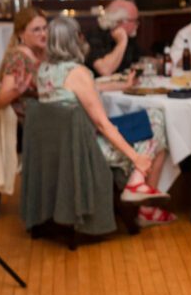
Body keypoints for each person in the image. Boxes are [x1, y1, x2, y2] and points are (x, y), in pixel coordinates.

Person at [38, 16, 174, 226]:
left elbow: (82, 90)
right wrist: (136, 158)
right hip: (85, 148)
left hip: (59, 145)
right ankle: (141, 193)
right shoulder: (78, 72)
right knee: (156, 121)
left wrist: (121, 85)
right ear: (74, 40)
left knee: (151, 119)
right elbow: (102, 124)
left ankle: (137, 183)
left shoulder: (45, 70)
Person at [0, 7, 47, 117]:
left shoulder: (44, 53)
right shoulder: (18, 59)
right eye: (36, 30)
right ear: (21, 34)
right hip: (28, 123)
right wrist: (16, 92)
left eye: (45, 28)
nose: (43, 34)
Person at [85, 0, 145, 77]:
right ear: (121, 21)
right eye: (134, 20)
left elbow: (140, 61)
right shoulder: (94, 36)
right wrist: (122, 42)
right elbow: (105, 70)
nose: (137, 24)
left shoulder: (130, 37)